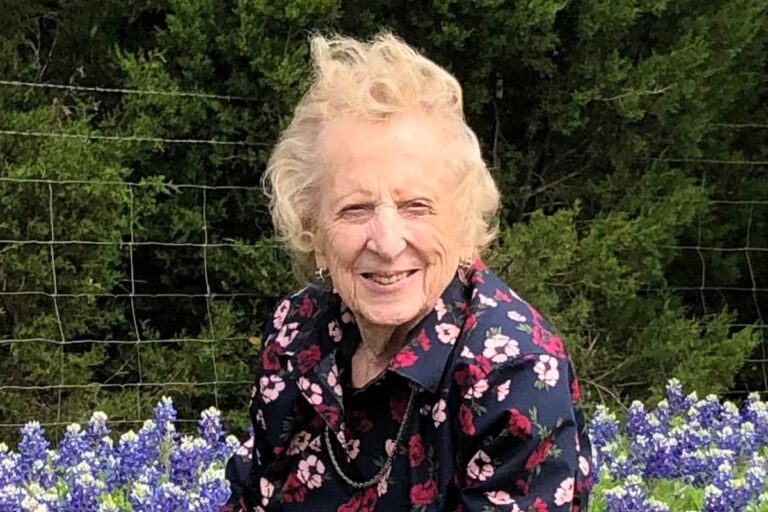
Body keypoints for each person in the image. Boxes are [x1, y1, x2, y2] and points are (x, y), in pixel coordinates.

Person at [223, 32, 592, 512]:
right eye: (354, 209)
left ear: (461, 222)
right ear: (312, 225)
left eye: (416, 206)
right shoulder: (297, 332)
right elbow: (251, 498)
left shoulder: (512, 371)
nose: (387, 242)